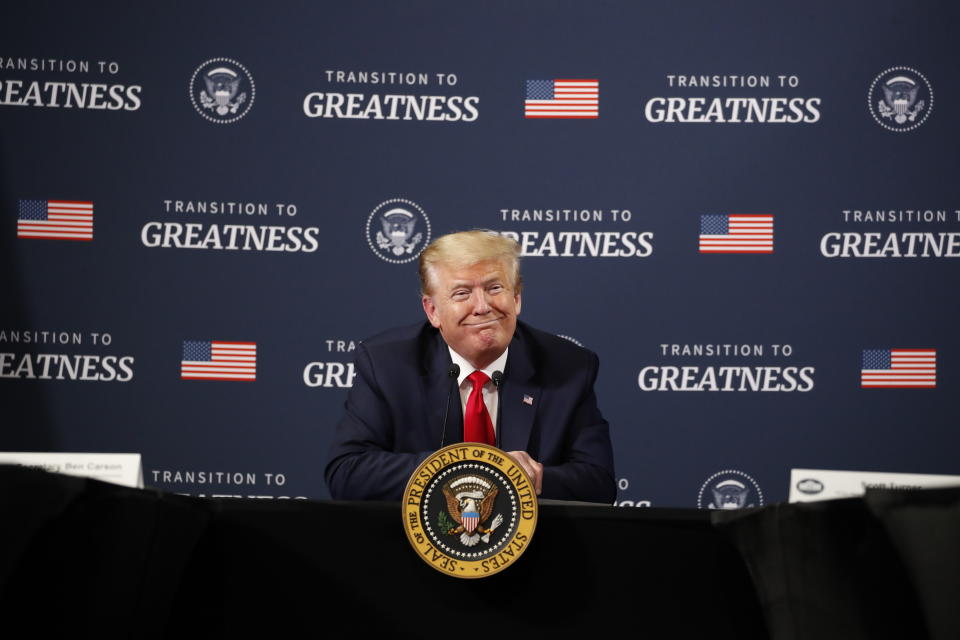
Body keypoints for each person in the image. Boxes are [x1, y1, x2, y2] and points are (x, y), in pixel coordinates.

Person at [324, 230, 615, 502]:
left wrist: (534, 479)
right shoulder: (387, 363)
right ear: (433, 311)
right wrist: (465, 469)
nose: (482, 306)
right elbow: (347, 472)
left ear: (516, 298)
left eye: (495, 288)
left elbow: (599, 482)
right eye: (462, 293)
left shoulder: (568, 366)